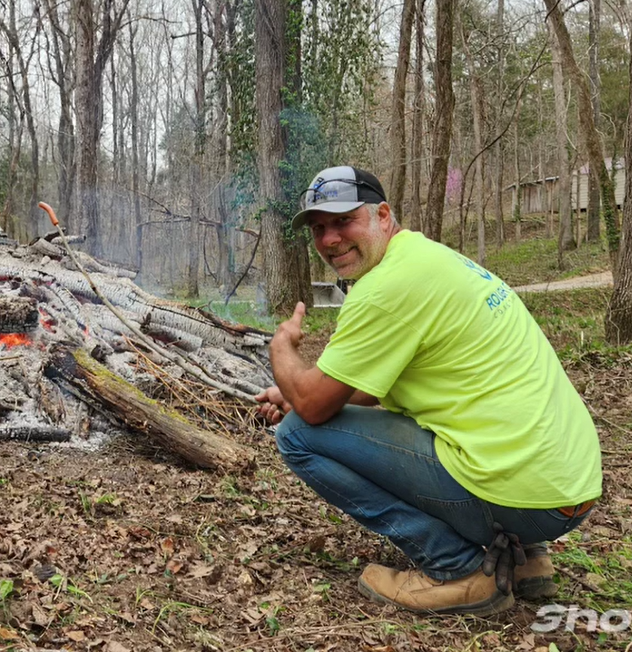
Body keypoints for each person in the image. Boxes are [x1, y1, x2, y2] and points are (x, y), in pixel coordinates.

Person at [256, 166, 602, 616]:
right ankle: (526, 560)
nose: (329, 239)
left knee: (297, 435)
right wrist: (300, 392)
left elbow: (313, 409)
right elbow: (362, 390)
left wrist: (282, 351)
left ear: (382, 214)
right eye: (319, 229)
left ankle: (455, 568)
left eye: (344, 221)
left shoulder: (384, 289)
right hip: (569, 486)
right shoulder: (429, 258)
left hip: (527, 496)